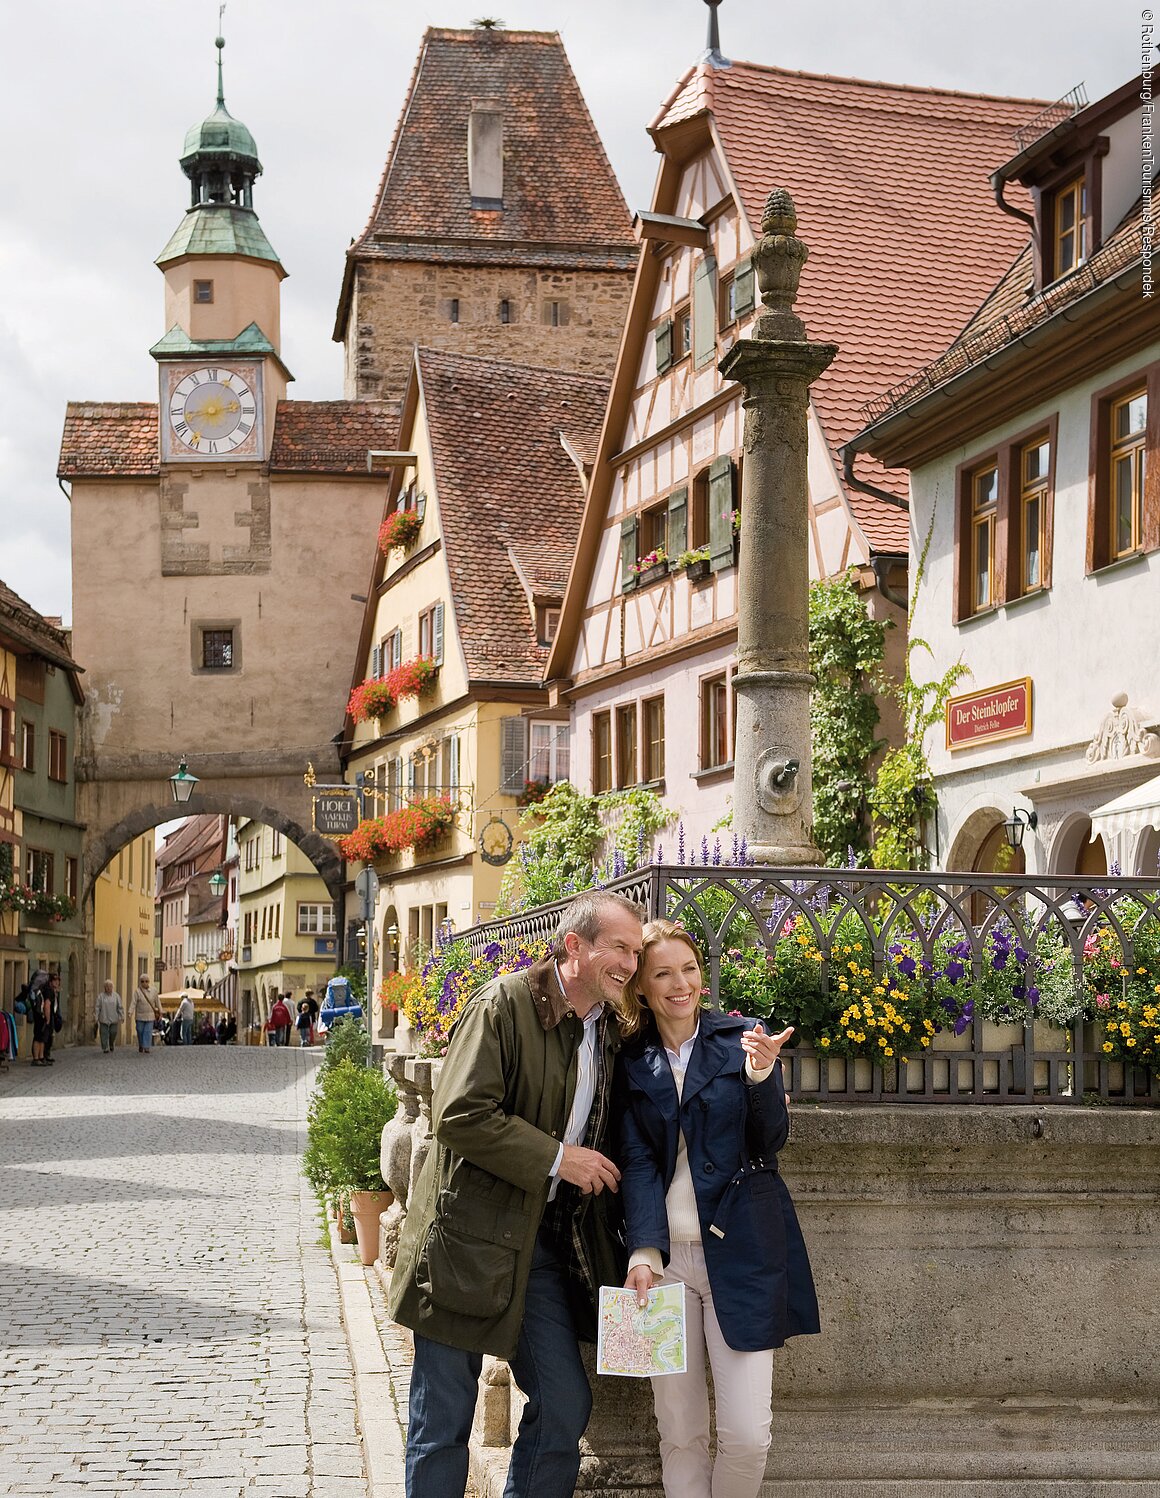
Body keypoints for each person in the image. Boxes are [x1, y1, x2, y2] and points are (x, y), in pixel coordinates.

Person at [389, 889, 645, 1498]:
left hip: (542, 1248)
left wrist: (757, 1083)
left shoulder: (607, 1030)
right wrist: (560, 1159)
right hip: (464, 1244)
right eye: (619, 949)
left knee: (563, 1406)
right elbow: (458, 1113)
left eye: (636, 952)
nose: (631, 965)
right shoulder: (505, 1004)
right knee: (442, 1427)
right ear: (575, 946)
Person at [616, 919, 820, 1498]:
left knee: (748, 1436)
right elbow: (636, 1163)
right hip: (661, 1266)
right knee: (678, 1432)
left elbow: (770, 1142)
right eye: (663, 973)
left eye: (689, 969)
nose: (680, 983)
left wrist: (760, 1075)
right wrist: (643, 1252)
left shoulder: (742, 1041)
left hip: (745, 1253)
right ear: (642, 989)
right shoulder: (629, 1062)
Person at [28, 969, 52, 1067]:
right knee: (39, 1037)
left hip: (37, 1014)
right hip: (42, 1016)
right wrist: (48, 1018)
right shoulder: (47, 990)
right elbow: (47, 1005)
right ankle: (37, 1058)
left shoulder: (39, 989)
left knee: (41, 1037)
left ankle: (40, 1057)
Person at [133, 975, 161, 1055]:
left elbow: (157, 1002)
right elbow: (133, 1002)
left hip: (150, 1015)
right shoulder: (137, 991)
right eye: (142, 981)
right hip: (140, 1015)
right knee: (139, 1030)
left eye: (146, 981)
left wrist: (160, 1011)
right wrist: (130, 1012)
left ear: (148, 982)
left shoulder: (154, 991)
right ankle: (141, 1044)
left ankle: (146, 1047)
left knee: (147, 1031)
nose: (144, 983)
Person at [96, 980, 124, 1053]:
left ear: (112, 987)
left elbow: (120, 1007)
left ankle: (111, 1044)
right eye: (107, 986)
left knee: (113, 1032)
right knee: (103, 1033)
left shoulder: (116, 996)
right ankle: (105, 1047)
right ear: (104, 988)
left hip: (114, 1018)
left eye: (110, 986)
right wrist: (96, 1017)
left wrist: (121, 1016)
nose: (108, 988)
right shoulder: (101, 996)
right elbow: (97, 1007)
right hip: (104, 1017)